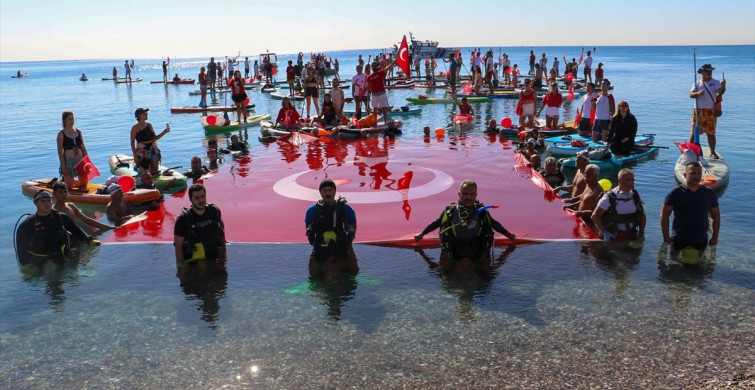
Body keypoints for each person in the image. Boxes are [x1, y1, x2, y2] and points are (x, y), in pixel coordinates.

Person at [414, 180, 515, 271]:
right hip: (455, 247)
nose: (468, 197)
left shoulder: (482, 212)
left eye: (472, 194)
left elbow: (494, 224)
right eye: (465, 194)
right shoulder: (450, 211)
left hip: (476, 247)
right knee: (443, 270)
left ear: (476, 195)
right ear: (459, 194)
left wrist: (508, 235)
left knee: (487, 272)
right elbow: (436, 223)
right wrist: (421, 234)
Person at [15, 191, 101, 266]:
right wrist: (25, 264)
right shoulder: (28, 224)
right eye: (43, 201)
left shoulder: (61, 217)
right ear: (35, 202)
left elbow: (76, 231)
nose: (47, 203)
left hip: (61, 255)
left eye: (49, 200)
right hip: (39, 259)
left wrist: (89, 240)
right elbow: (21, 248)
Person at [661, 161, 720, 251]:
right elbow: (664, 215)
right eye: (692, 173)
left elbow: (715, 216)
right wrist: (665, 236)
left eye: (698, 173)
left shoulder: (709, 193)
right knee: (674, 263)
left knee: (700, 264)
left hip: (700, 239)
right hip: (679, 239)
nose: (696, 176)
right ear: (685, 175)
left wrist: (715, 237)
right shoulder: (675, 193)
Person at [305, 178, 357, 267]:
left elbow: (353, 224)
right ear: (320, 193)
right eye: (324, 191)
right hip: (321, 244)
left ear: (335, 191)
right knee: (315, 274)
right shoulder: (312, 210)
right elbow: (308, 228)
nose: (328, 193)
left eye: (330, 190)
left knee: (352, 270)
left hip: (341, 244)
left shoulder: (345, 208)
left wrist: (349, 242)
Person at [174, 184, 226, 263]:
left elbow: (221, 235)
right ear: (190, 199)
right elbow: (178, 247)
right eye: (196, 198)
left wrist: (223, 261)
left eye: (203, 196)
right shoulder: (183, 220)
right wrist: (181, 269)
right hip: (195, 263)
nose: (201, 200)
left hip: (214, 259)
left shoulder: (214, 211)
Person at [592, 168, 645, 242]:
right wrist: (604, 232)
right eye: (627, 180)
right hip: (612, 236)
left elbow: (642, 215)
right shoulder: (609, 197)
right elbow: (595, 216)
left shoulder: (635, 195)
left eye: (632, 180)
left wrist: (641, 233)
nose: (630, 182)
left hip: (631, 236)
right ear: (619, 181)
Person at [690, 63, 726, 159]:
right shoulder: (697, 83)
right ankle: (690, 151)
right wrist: (698, 93)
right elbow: (691, 95)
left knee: (711, 133)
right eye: (707, 71)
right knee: (694, 132)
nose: (709, 72)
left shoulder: (716, 82)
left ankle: (713, 152)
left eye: (710, 71)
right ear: (702, 72)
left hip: (710, 111)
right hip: (698, 110)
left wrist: (723, 86)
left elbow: (720, 92)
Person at [130, 108, 170, 174]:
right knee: (145, 169)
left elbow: (155, 138)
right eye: (144, 113)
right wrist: (135, 156)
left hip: (153, 148)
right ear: (138, 116)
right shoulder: (135, 127)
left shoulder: (149, 125)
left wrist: (164, 132)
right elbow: (132, 143)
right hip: (143, 150)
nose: (146, 115)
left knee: (155, 169)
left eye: (147, 113)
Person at [57, 111, 90, 190]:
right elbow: (60, 152)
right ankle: (65, 180)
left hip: (80, 160)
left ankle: (67, 181)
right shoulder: (61, 134)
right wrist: (64, 167)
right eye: (69, 119)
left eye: (73, 119)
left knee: (83, 184)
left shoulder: (78, 132)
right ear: (64, 120)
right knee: (69, 187)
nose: (72, 121)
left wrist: (87, 161)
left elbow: (83, 147)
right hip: (69, 161)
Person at [367, 59, 394, 125]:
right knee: (375, 108)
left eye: (375, 66)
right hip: (374, 94)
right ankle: (375, 122)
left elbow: (388, 67)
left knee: (384, 108)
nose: (374, 67)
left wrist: (393, 62)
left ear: (377, 66)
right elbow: (368, 87)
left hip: (381, 93)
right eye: (373, 66)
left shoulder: (381, 72)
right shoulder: (369, 77)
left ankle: (385, 121)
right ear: (371, 67)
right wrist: (368, 95)